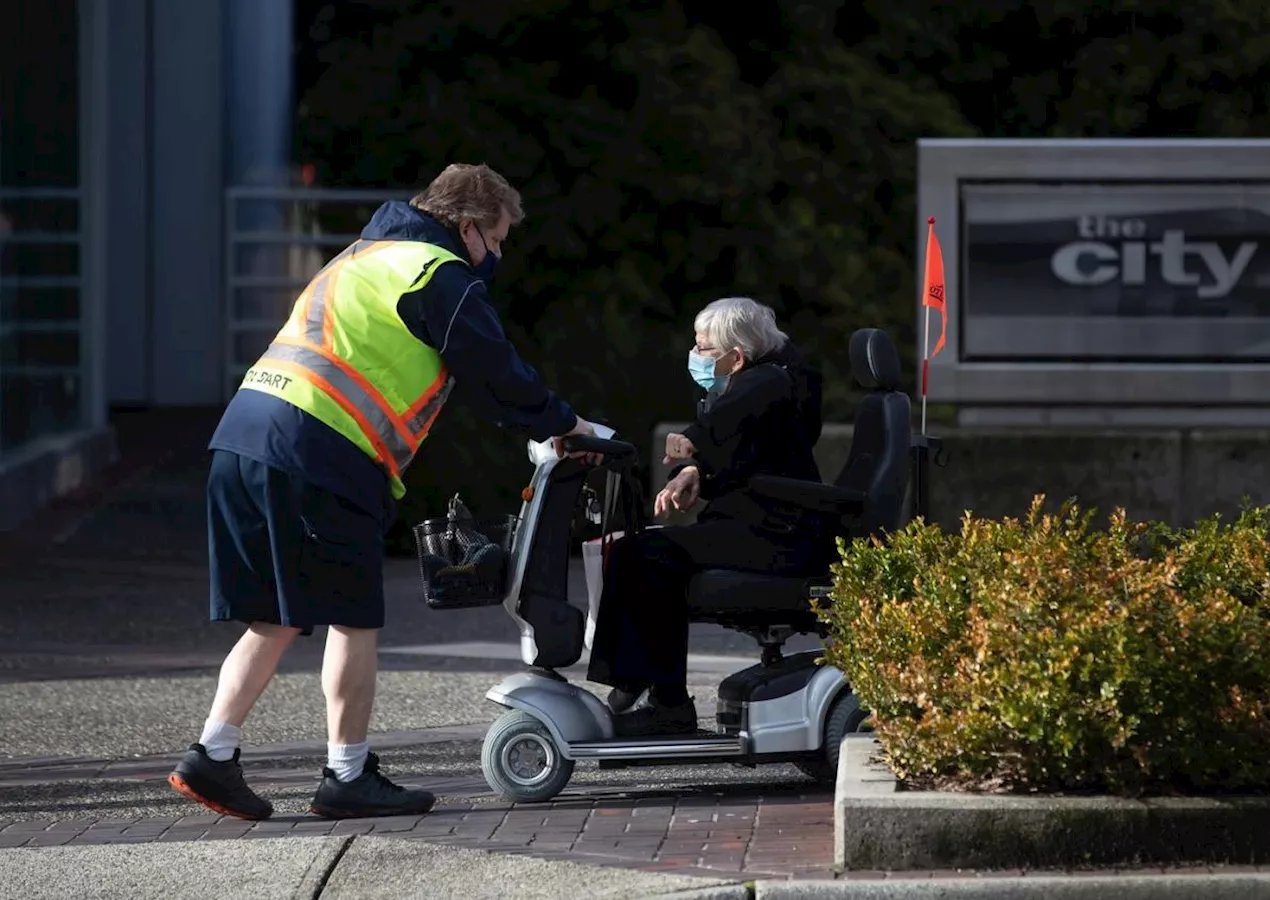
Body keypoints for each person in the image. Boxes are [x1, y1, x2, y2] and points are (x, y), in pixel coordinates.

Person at [168, 163, 596, 820]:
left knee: (277, 616)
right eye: (499, 238)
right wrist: (568, 425)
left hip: (246, 434)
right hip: (322, 449)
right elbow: (497, 374)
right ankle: (346, 775)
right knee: (354, 616)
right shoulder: (438, 274)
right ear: (468, 225)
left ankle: (213, 756)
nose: (499, 255)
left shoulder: (364, 255)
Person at [585, 296, 831, 737]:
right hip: (763, 526)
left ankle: (655, 696)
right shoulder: (778, 380)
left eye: (705, 350)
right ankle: (653, 691)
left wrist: (693, 443)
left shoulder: (771, 383)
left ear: (737, 358)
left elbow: (739, 412)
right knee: (644, 549)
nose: (695, 357)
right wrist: (696, 471)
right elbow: (742, 451)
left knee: (642, 553)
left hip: (777, 536)